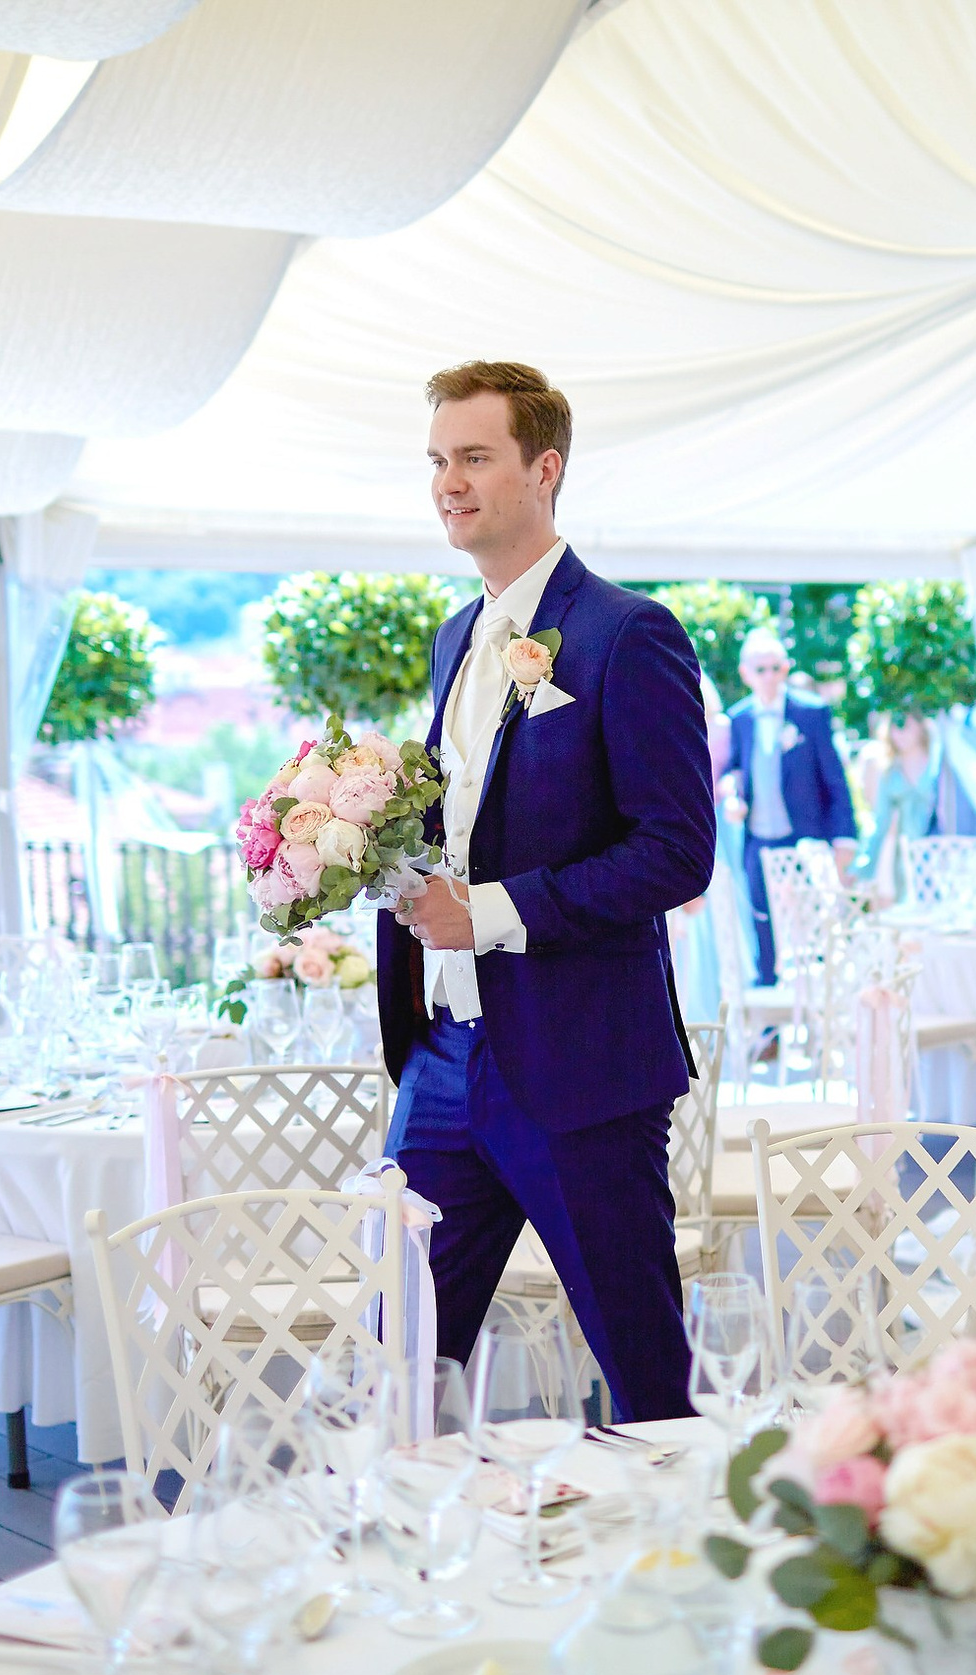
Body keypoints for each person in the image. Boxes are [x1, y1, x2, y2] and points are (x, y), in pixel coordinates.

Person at [381, 360, 713, 1422]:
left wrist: (486, 913)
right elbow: (469, 819)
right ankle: (404, 1570)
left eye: (474, 457)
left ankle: (677, 1577)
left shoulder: (628, 633)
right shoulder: (453, 639)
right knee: (399, 1363)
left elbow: (676, 851)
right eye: (438, 461)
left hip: (579, 1065)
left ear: (545, 467)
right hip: (444, 1065)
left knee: (642, 1375)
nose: (449, 482)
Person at [720, 628, 856, 986]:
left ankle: (820, 1006)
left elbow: (835, 780)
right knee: (763, 922)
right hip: (759, 840)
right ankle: (772, 1027)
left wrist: (844, 838)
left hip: (805, 837)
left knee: (813, 926)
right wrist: (732, 793)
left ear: (786, 669)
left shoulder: (811, 713)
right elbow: (735, 769)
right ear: (746, 673)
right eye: (760, 669)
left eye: (776, 668)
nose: (769, 676)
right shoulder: (741, 718)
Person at [851, 712, 976, 893]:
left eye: (904, 725)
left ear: (920, 725)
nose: (899, 734)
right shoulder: (890, 771)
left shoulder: (939, 762)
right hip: (908, 859)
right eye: (894, 727)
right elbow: (880, 821)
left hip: (943, 854)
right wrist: (862, 864)